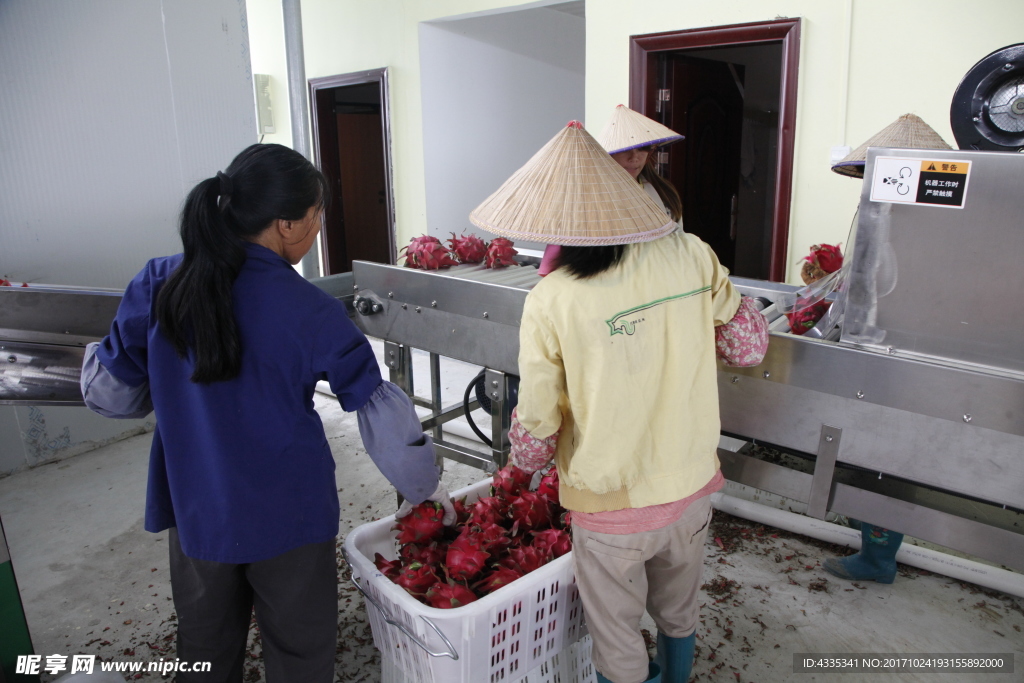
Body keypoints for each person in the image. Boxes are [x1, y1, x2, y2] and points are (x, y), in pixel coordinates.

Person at [80, 143, 453, 682]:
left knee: (205, 654)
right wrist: (427, 489)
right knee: (300, 656)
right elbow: (379, 416)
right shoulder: (309, 308)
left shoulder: (159, 281)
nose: (318, 230)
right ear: (286, 224)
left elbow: (111, 396)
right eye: (316, 217)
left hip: (197, 512)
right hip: (290, 516)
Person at [470, 122, 768, 683]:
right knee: (679, 613)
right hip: (691, 485)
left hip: (611, 506)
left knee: (616, 635)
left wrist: (521, 469)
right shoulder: (694, 255)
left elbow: (537, 426)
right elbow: (747, 347)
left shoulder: (552, 297)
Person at [598, 104, 684, 229]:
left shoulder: (664, 192)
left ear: (651, 151)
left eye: (642, 148)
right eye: (624, 150)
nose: (634, 158)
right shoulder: (594, 196)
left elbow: (679, 240)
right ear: (608, 154)